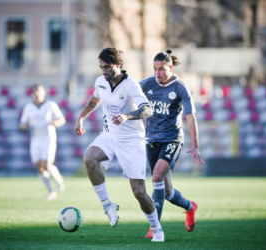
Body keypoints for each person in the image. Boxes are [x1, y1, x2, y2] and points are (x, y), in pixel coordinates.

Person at [75, 48, 164, 242]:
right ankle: (108, 206)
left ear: (118, 65)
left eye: (107, 67)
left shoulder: (130, 85)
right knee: (89, 158)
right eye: (101, 67)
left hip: (133, 142)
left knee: (139, 192)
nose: (103, 71)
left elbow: (147, 110)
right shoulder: (101, 82)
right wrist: (81, 118)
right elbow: (96, 98)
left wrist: (127, 116)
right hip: (110, 137)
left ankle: (156, 228)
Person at [139, 50, 204, 238]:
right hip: (151, 140)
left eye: (161, 69)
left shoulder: (181, 87)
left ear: (170, 67)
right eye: (155, 69)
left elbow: (191, 117)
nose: (158, 73)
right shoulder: (147, 83)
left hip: (172, 139)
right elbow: (129, 92)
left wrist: (196, 145)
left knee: (157, 176)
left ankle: (154, 227)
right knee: (166, 191)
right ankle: (190, 207)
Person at [20, 85, 66, 200]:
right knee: (40, 168)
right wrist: (24, 126)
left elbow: (62, 119)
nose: (37, 93)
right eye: (34, 91)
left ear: (44, 92)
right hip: (35, 140)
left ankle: (59, 179)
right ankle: (51, 192)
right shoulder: (28, 107)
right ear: (31, 93)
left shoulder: (50, 105)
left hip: (48, 138)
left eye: (39, 91)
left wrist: (56, 123)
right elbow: (22, 124)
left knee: (47, 165)